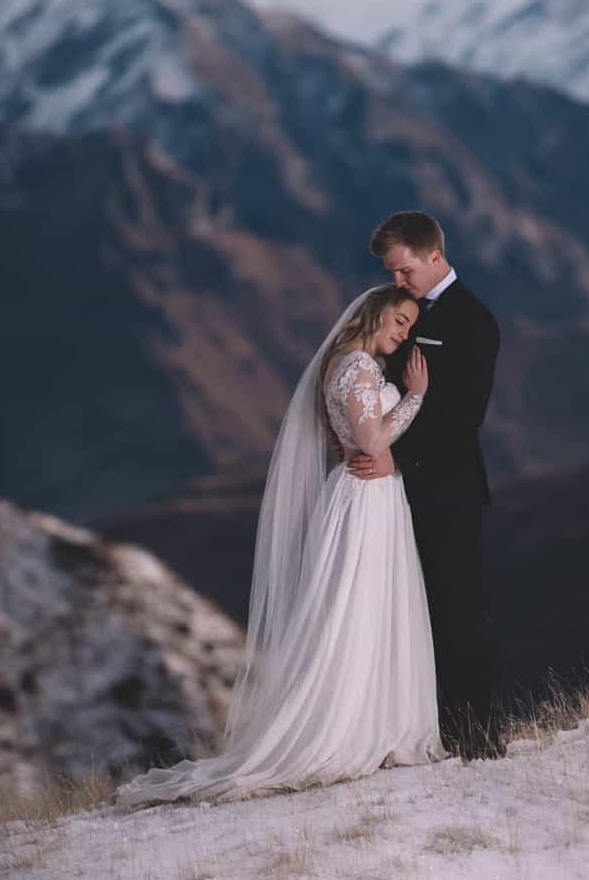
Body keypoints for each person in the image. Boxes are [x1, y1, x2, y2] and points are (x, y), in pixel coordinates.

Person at [114, 285, 446, 808]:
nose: (403, 333)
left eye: (408, 325)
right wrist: (415, 396)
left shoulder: (344, 363)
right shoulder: (358, 366)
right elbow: (374, 442)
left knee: (367, 609)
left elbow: (345, 431)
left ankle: (373, 724)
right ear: (376, 313)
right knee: (354, 610)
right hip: (363, 499)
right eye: (399, 321)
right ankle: (351, 730)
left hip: (367, 495)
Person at [349, 212, 503, 760]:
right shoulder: (400, 309)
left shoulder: (474, 320)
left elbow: (464, 415)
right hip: (388, 494)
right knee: (401, 613)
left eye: (404, 270)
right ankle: (418, 734)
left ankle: (477, 738)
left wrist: (395, 458)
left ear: (433, 255)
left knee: (456, 611)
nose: (397, 282)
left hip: (447, 489)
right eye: (392, 273)